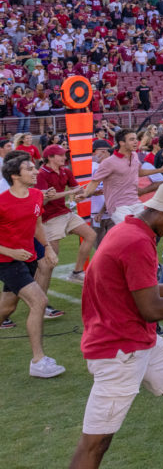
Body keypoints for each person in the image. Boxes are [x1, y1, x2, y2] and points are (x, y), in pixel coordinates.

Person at [68, 182, 163, 469]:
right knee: (96, 443)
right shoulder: (137, 242)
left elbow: (147, 290)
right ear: (162, 212)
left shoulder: (131, 229)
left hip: (137, 338)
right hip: (119, 348)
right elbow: (151, 309)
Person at [0, 151, 65, 378]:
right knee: (39, 301)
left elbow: (37, 224)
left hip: (25, 259)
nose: (36, 171)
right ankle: (38, 361)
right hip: (6, 261)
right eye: (29, 169)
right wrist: (10, 251)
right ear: (15, 176)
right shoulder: (2, 202)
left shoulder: (37, 195)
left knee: (7, 307)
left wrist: (46, 248)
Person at [36, 143, 94, 283]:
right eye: (60, 155)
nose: (64, 157)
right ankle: (39, 296)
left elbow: (77, 190)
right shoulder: (41, 174)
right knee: (50, 262)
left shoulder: (65, 171)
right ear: (50, 157)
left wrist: (86, 193)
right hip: (49, 218)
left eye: (64, 154)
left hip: (65, 213)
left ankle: (77, 271)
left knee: (90, 235)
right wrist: (71, 192)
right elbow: (44, 198)